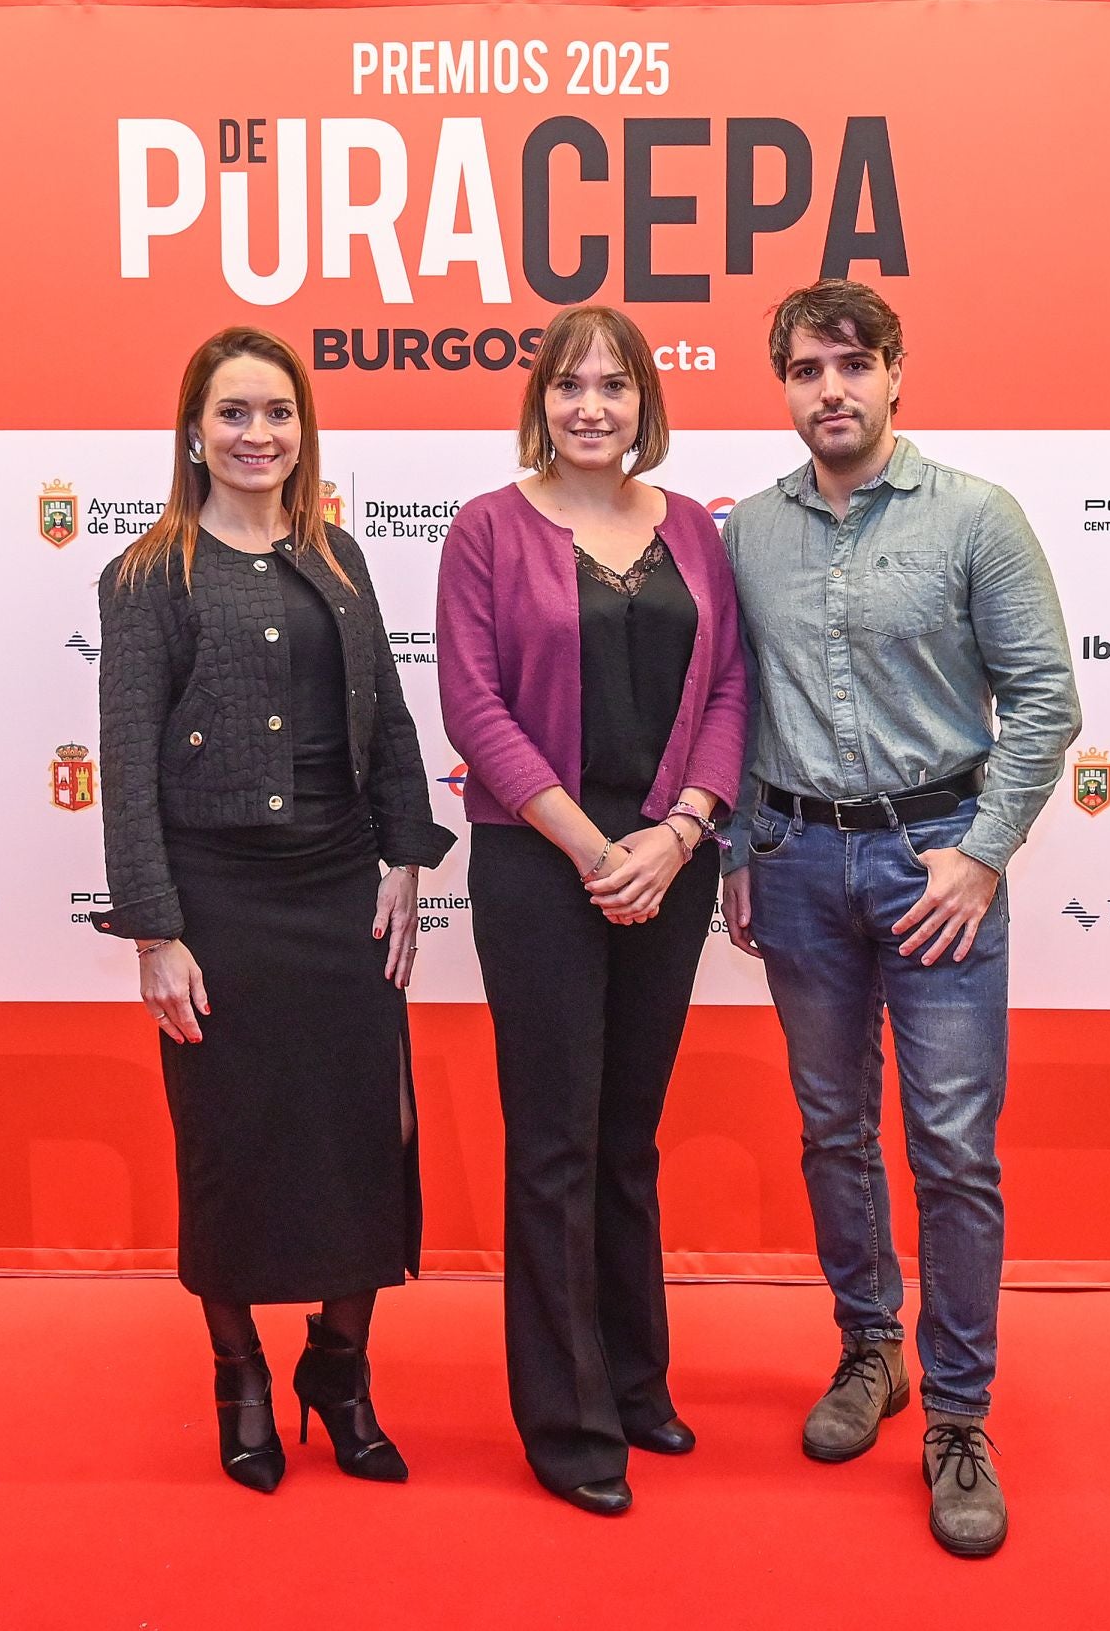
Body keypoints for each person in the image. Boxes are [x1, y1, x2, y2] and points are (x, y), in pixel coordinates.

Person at [718, 280, 1080, 1556]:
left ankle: (961, 1416)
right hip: (798, 861)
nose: (832, 389)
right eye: (807, 369)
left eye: (853, 364)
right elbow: (729, 701)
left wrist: (981, 857)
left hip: (939, 869)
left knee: (952, 1144)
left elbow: (1045, 700)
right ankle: (869, 1349)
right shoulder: (746, 532)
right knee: (831, 1127)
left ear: (896, 373)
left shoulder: (979, 518)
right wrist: (734, 850)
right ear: (783, 385)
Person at [92, 326, 455, 1494]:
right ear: (194, 431)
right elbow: (125, 758)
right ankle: (240, 1372)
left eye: (278, 414)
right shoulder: (149, 574)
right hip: (220, 899)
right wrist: (156, 929)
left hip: (340, 891)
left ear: (306, 430)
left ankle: (338, 1370)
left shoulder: (340, 556)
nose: (258, 435)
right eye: (234, 413)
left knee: (362, 1138)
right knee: (233, 1144)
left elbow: (390, 723)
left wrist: (407, 856)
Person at [436, 306, 747, 1516]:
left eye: (614, 385)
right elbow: (474, 708)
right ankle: (566, 1419)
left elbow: (729, 686)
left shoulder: (695, 536)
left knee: (628, 1137)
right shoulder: (485, 530)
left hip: (668, 865)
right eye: (569, 385)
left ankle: (633, 1375)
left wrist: (676, 836)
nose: (591, 407)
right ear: (541, 401)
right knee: (556, 1143)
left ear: (644, 404)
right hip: (540, 863)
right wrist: (588, 845)